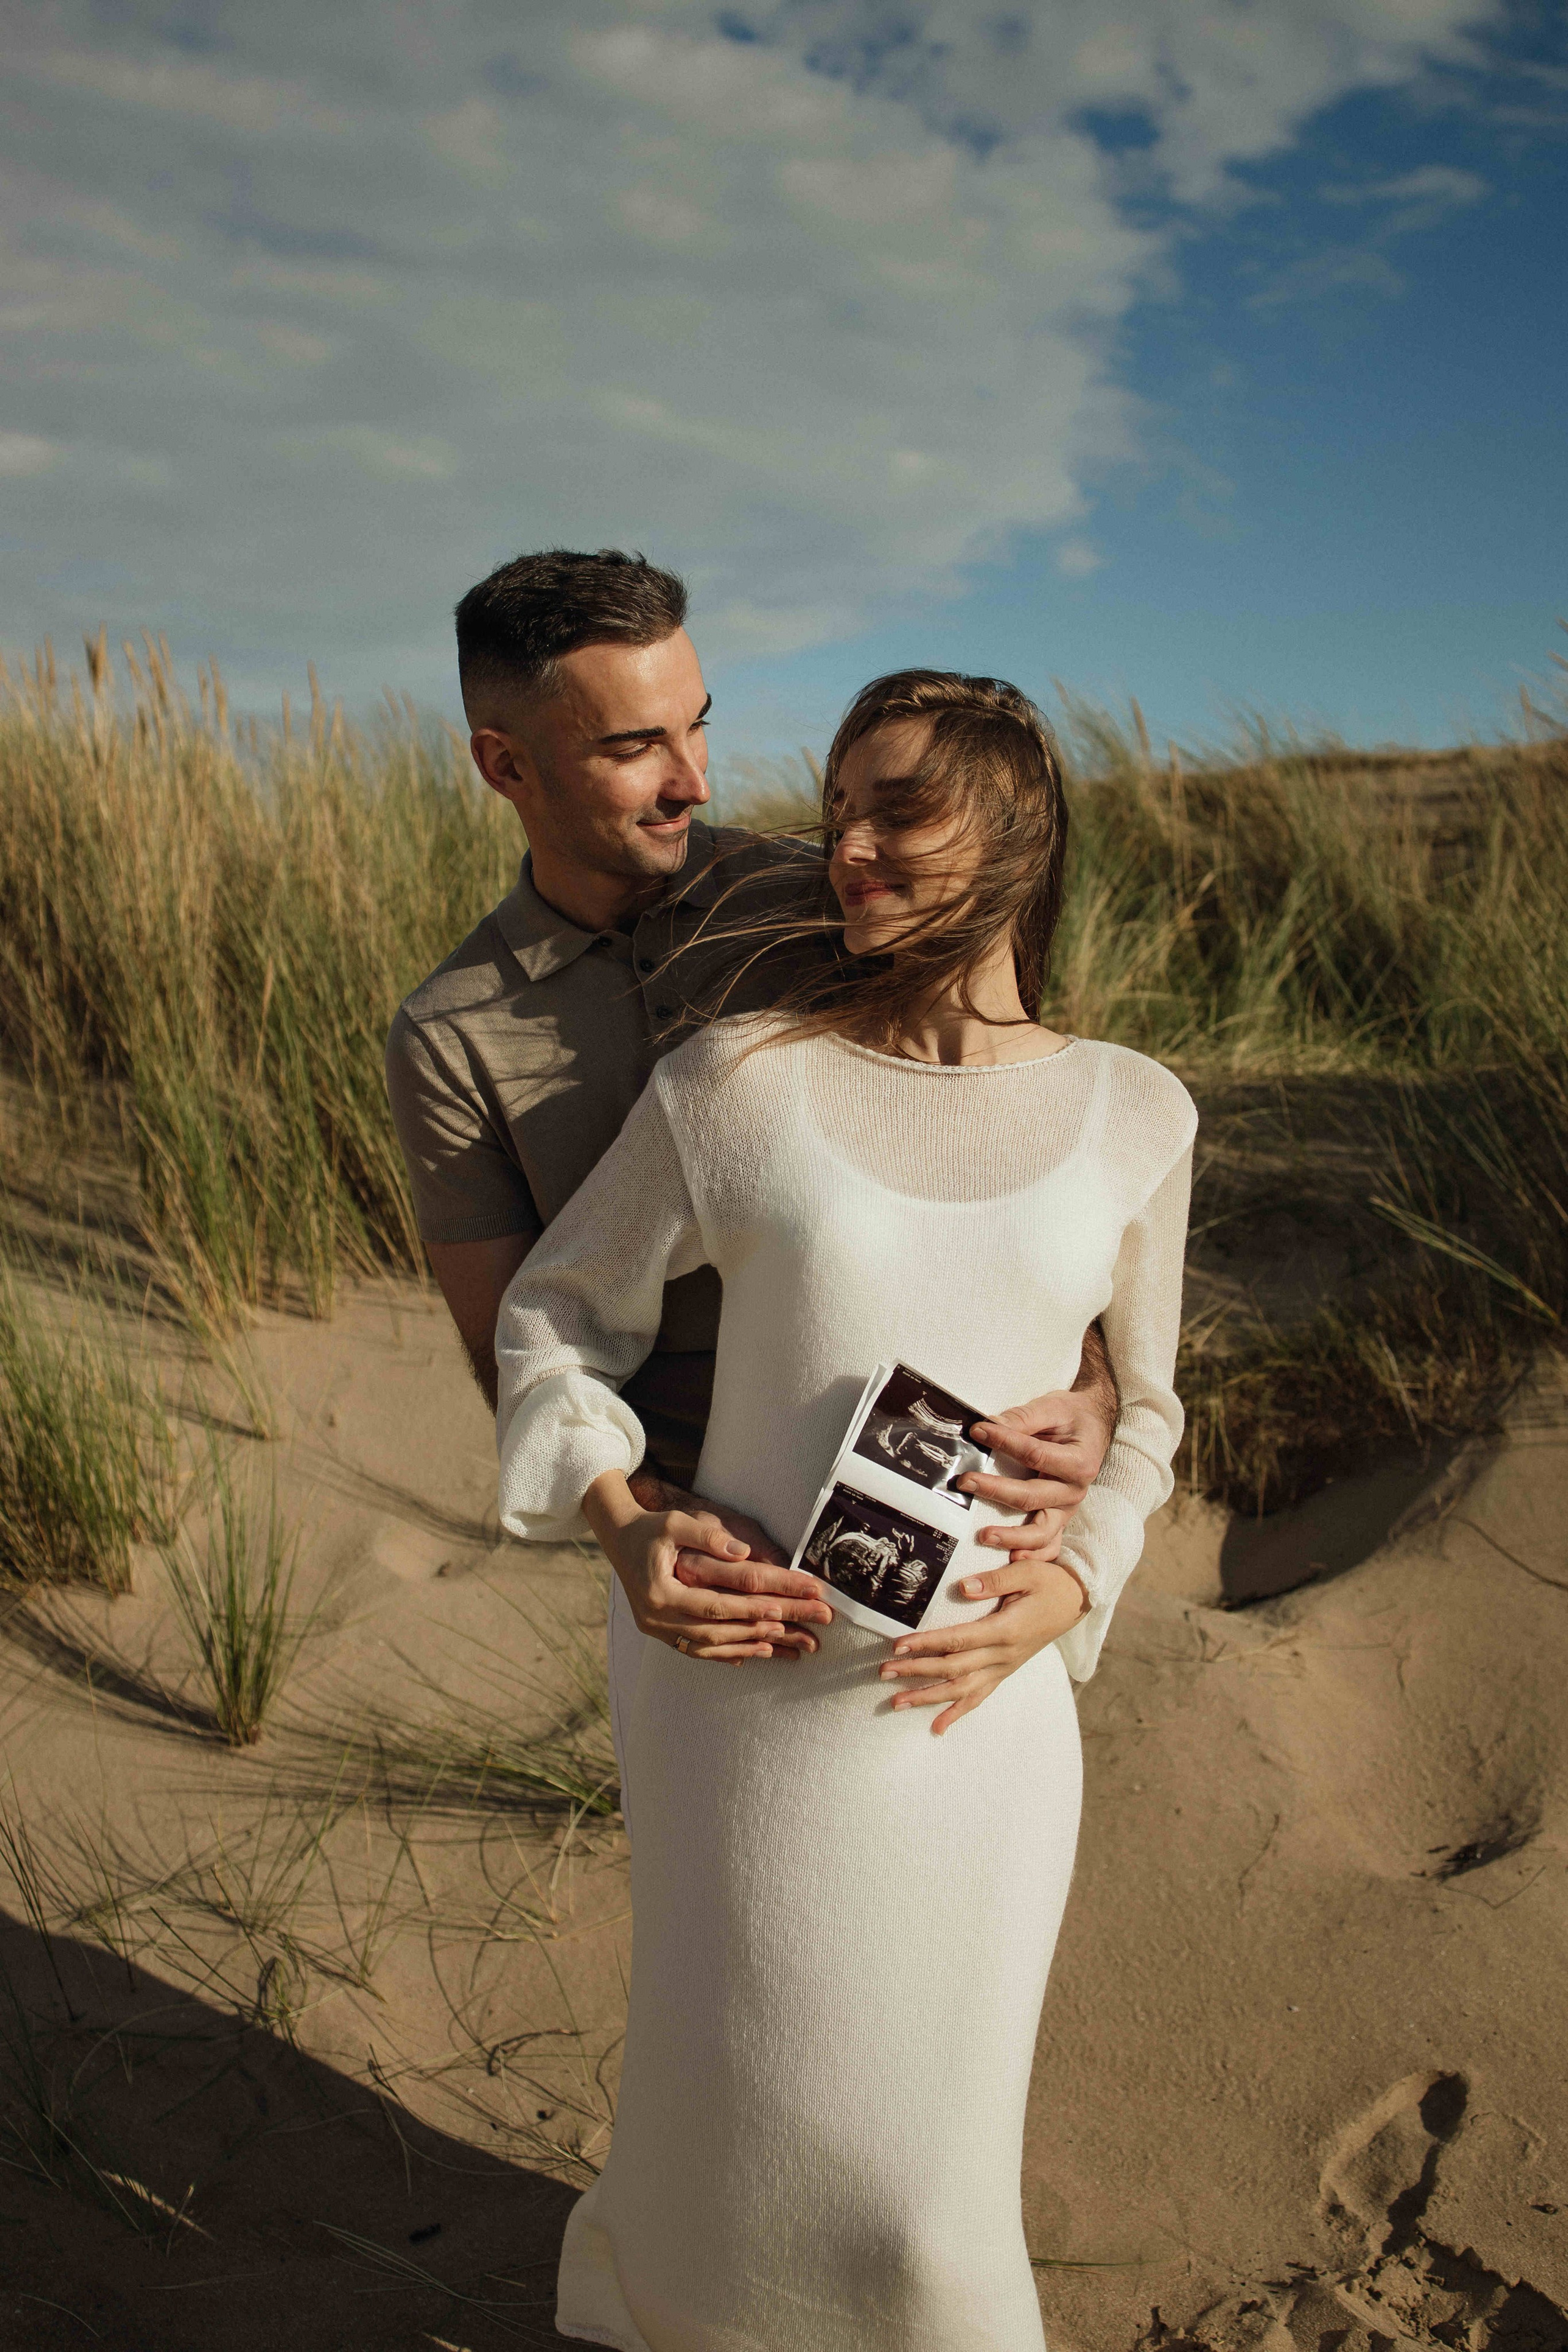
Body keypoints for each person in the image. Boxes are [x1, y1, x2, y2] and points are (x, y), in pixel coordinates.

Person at [494, 668, 1197, 2351]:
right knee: (715, 2144)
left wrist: (1076, 1581)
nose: (852, 850)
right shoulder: (744, 1084)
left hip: (979, 1724)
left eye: (901, 809)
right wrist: (625, 1523)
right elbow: (555, 1319)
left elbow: (1151, 1412)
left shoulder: (1135, 1114)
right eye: (837, 815)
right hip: (743, 1715)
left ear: (1019, 828)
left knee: (919, 2210)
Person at [386, 548, 1118, 1645]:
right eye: (636, 746)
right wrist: (632, 1527)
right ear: (505, 766)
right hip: (720, 1562)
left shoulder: (828, 894)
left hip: (951, 1517)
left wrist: (1095, 1395)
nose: (695, 780)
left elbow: (1018, 1140)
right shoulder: (449, 1035)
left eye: (698, 725)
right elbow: (521, 1336)